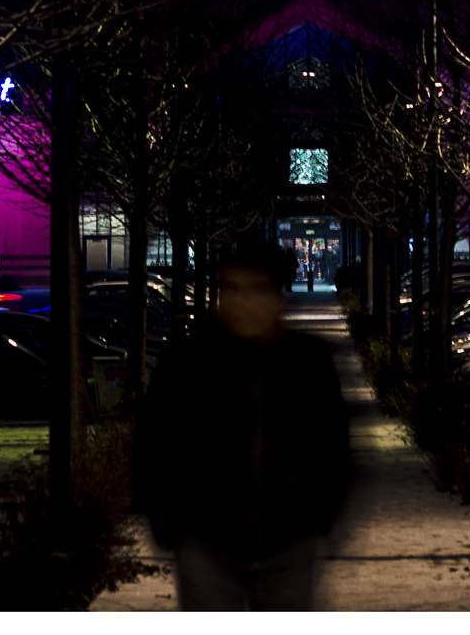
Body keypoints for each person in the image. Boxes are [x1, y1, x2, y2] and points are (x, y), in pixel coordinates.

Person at [134, 241, 350, 610]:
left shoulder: (308, 361)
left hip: (288, 536)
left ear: (278, 298)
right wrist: (166, 519)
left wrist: (320, 510)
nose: (242, 302)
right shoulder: (187, 362)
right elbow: (154, 442)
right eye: (231, 289)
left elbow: (335, 443)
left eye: (256, 289)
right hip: (207, 537)